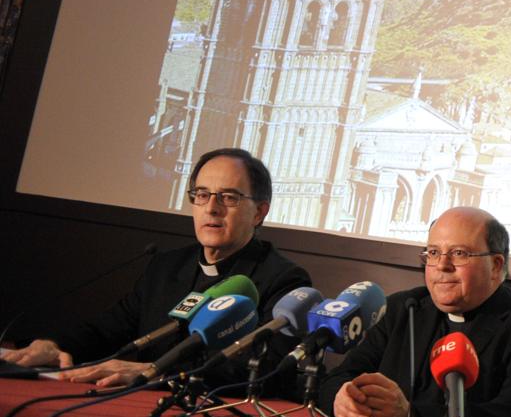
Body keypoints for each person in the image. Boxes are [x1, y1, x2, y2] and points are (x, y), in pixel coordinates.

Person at [1, 148, 311, 388]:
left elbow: (262, 367)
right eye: (202, 195)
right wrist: (54, 345)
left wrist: (156, 371)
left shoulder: (283, 280)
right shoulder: (167, 267)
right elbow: (108, 328)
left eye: (228, 197)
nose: (211, 208)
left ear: (259, 212)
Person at [318, 206, 511, 417]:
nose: (442, 265)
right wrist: (341, 398)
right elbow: (340, 377)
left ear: (495, 265)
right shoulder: (402, 309)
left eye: (459, 253)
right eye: (434, 252)